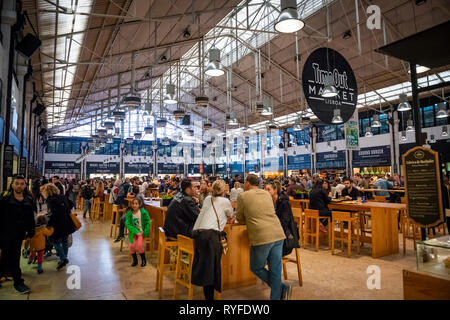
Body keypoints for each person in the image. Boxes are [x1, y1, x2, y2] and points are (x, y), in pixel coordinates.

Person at [236, 174, 290, 300]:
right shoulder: (266, 194)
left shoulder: (242, 196)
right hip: (278, 233)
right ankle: (277, 295)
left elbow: (240, 218)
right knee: (275, 269)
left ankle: (281, 287)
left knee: (256, 267)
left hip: (262, 236)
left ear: (247, 183)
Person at [191, 180, 234, 300]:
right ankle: (210, 298)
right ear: (224, 190)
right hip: (211, 236)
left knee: (206, 268)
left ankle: (208, 296)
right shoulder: (225, 201)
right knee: (212, 269)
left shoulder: (207, 199)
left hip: (199, 235)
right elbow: (231, 216)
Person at [0, 175, 36, 294]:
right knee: (12, 257)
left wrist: (31, 231)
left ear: (25, 185)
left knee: (7, 256)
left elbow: (31, 217)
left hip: (19, 234)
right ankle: (18, 282)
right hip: (5, 233)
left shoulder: (28, 199)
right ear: (12, 185)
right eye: (17, 183)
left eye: (22, 183)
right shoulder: (5, 198)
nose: (19, 186)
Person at [41, 183, 76, 270]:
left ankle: (63, 258)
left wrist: (49, 224)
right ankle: (64, 257)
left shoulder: (50, 200)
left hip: (57, 223)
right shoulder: (62, 196)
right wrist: (65, 211)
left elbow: (54, 214)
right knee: (64, 240)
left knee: (55, 241)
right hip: (67, 221)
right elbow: (71, 204)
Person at [265, 181, 299, 256]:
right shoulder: (269, 202)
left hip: (286, 239)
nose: (266, 192)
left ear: (275, 190)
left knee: (265, 250)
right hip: (275, 235)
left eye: (268, 189)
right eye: (265, 189)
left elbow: (284, 222)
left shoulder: (284, 202)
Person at [125, 197, 150, 267]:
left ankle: (143, 259)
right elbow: (128, 224)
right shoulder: (129, 214)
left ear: (139, 205)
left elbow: (148, 222)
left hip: (141, 233)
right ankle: (135, 260)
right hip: (133, 232)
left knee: (139, 245)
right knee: (131, 246)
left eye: (136, 204)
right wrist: (135, 231)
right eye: (133, 203)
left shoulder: (143, 212)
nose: (134, 205)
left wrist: (145, 232)